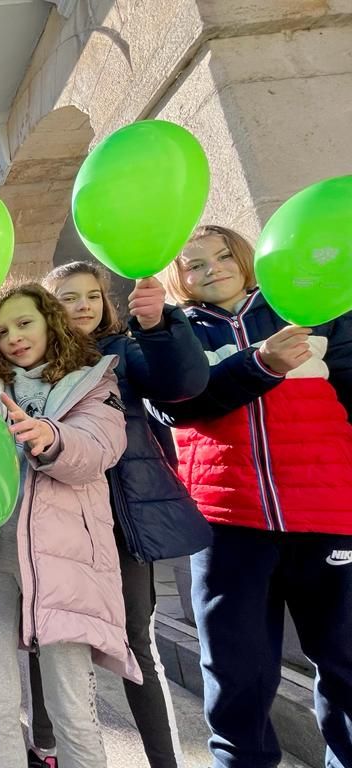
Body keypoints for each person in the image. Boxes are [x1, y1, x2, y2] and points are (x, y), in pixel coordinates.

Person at [151, 225, 352, 768]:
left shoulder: (308, 307)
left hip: (326, 514)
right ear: (180, 277)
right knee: (236, 670)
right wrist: (262, 365)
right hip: (226, 524)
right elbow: (175, 406)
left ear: (245, 258)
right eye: (195, 264)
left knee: (345, 662)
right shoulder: (174, 332)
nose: (211, 269)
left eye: (222, 256)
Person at [0, 282, 138, 768]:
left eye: (25, 323)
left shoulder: (96, 381)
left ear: (51, 320)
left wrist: (50, 437)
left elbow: (98, 449)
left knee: (73, 712)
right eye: (3, 330)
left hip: (63, 567)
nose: (13, 338)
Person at [37, 261, 211, 768]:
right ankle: (44, 745)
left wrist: (159, 328)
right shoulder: (35, 365)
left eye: (92, 295)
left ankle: (164, 760)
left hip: (122, 520)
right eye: (69, 297)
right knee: (53, 635)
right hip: (61, 524)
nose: (84, 305)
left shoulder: (127, 350)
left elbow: (182, 381)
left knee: (136, 642)